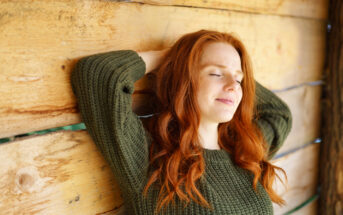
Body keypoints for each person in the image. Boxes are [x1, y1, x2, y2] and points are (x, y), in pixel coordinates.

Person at [70, 29, 292, 215]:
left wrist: (230, 69)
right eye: (216, 74)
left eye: (239, 79)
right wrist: (175, 57)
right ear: (183, 80)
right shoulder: (149, 160)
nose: (234, 86)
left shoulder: (245, 151)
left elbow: (278, 114)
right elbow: (98, 74)